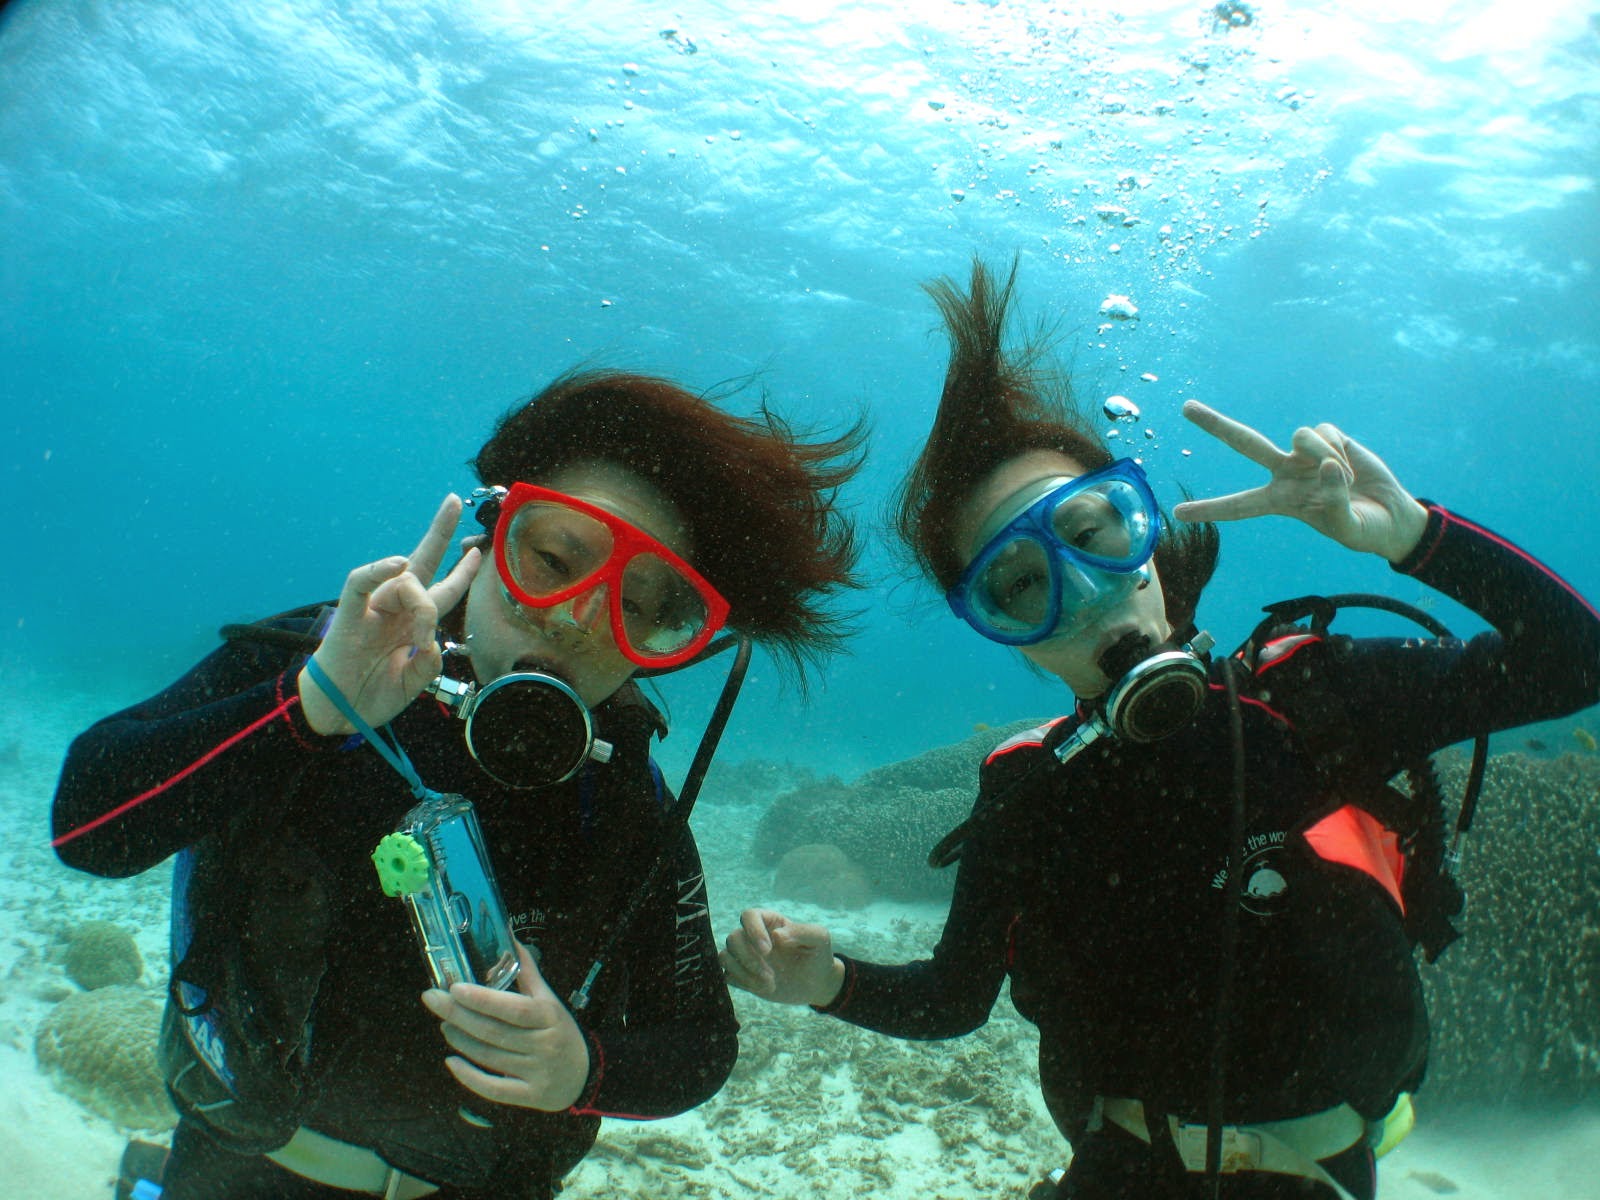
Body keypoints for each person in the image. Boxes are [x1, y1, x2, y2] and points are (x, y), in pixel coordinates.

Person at [720, 260, 1600, 1199]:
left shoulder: (1313, 698)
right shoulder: (1029, 794)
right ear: (1011, 638)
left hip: (1325, 1171)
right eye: (1022, 585)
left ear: (1144, 539)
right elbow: (954, 997)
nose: (1082, 588)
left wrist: (1412, 536)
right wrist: (829, 982)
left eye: (1093, 533)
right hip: (1123, 1168)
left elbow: (1574, 661)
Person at [53, 368, 865, 1200]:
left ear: (665, 638)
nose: (577, 617)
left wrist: (581, 1069)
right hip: (242, 1173)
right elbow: (86, 830)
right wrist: (309, 707)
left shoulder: (623, 798)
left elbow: (699, 1044)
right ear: (489, 538)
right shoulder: (323, 662)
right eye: (553, 558)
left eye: (638, 604)